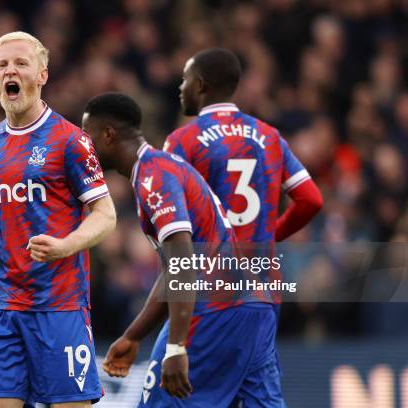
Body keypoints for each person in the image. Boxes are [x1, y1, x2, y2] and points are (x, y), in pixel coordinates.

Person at [0, 31, 116, 408]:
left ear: (42, 75)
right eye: (2, 64)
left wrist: (66, 244)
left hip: (60, 306)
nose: (11, 70)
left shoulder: (71, 141)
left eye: (21, 63)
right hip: (3, 307)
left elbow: (105, 215)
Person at [83, 92, 284, 407]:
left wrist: (177, 347)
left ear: (108, 135)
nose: (83, 149)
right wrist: (135, 334)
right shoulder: (164, 166)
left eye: (87, 138)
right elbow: (174, 269)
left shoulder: (153, 178)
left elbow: (183, 264)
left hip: (215, 308)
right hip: (252, 305)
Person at [164, 48, 323, 244]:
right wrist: (271, 237)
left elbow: (166, 212)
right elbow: (311, 199)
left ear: (199, 86)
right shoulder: (270, 136)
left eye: (185, 80)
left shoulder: (182, 140)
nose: (181, 88)